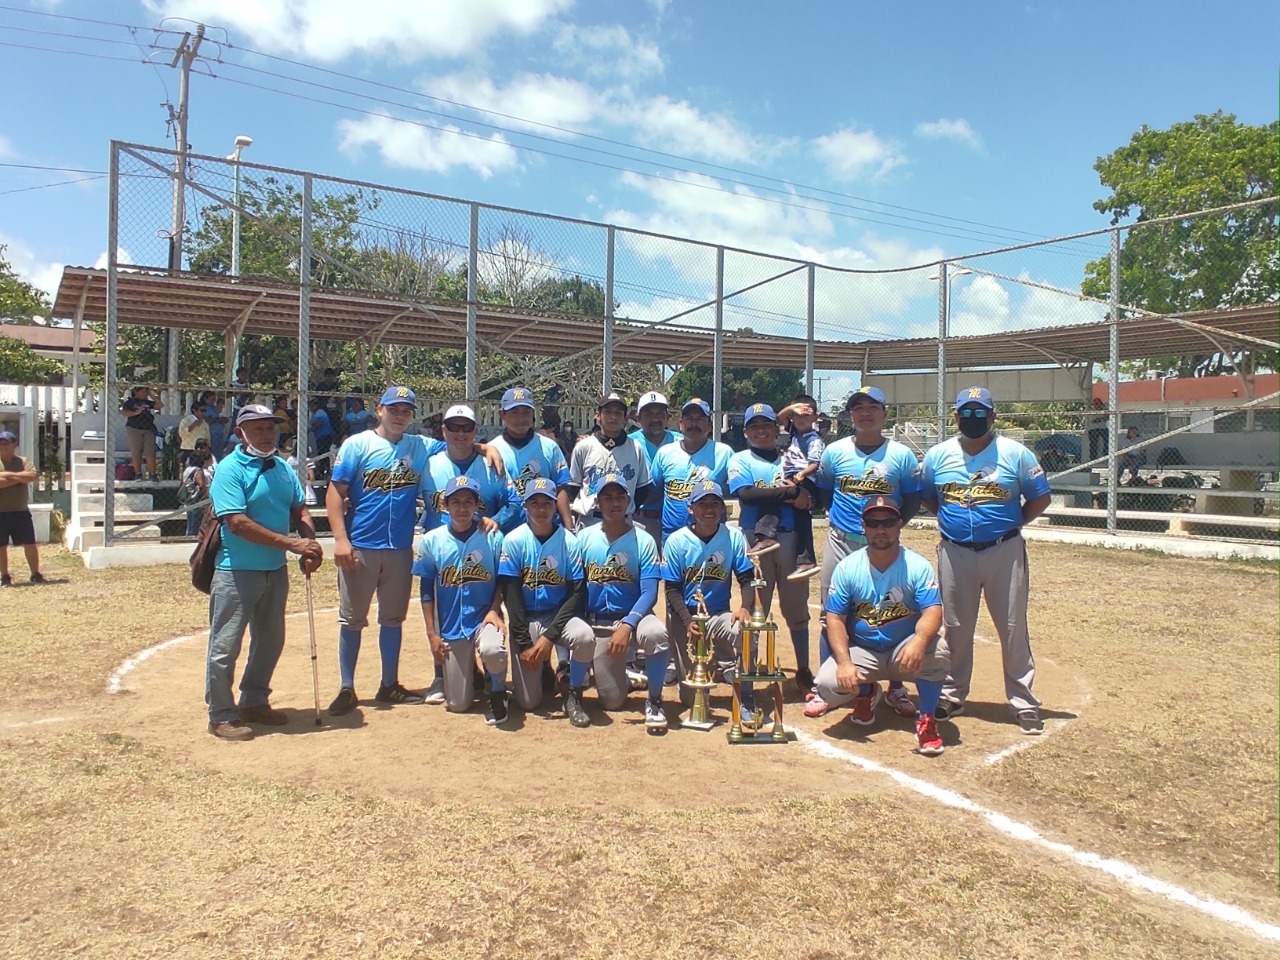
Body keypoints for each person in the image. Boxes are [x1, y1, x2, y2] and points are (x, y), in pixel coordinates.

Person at [921, 386, 1052, 734]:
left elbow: (1039, 498)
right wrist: (953, 523)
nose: (973, 418)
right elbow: (929, 498)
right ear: (956, 416)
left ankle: (1023, 701)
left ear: (993, 416)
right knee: (956, 626)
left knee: (1012, 627)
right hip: (955, 550)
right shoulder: (938, 455)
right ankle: (952, 693)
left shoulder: (1015, 453)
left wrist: (1012, 525)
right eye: (967, 412)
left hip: (1003, 550)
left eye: (981, 413)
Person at [205, 404, 324, 741]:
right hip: (236, 571)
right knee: (225, 646)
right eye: (258, 428)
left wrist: (310, 543)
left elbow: (299, 508)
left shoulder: (283, 467)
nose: (267, 434)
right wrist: (291, 544)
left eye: (270, 427)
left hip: (275, 570)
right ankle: (221, 714)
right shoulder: (230, 469)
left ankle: (254, 701)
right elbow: (237, 522)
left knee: (270, 641)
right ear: (240, 432)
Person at [805, 386, 923, 717]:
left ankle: (896, 686)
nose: (865, 413)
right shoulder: (834, 452)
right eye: (858, 407)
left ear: (884, 414)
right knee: (832, 612)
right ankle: (828, 686)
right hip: (843, 541)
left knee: (894, 608)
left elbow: (912, 498)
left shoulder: (900, 455)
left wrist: (889, 528)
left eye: (873, 407)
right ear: (851, 415)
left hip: (884, 543)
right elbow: (826, 492)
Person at [325, 386, 434, 715]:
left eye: (406, 410)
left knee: (392, 619)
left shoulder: (419, 446)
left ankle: (389, 684)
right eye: (394, 409)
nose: (400, 415)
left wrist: (486, 448)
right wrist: (341, 540)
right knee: (352, 620)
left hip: (399, 547)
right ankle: (347, 687)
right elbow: (335, 492)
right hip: (361, 546)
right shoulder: (357, 444)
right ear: (379, 409)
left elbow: (460, 444)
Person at [813, 496, 950, 756]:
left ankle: (927, 719)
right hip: (864, 650)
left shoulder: (916, 566)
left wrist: (919, 641)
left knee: (938, 652)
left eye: (887, 522)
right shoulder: (848, 568)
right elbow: (835, 618)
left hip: (903, 649)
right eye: (873, 523)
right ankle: (867, 692)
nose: (881, 529)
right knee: (827, 685)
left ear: (900, 525)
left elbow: (933, 610)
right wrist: (844, 662)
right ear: (863, 527)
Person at [725, 403, 813, 691]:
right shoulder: (740, 459)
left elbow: (813, 494)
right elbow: (749, 495)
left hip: (792, 539)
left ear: (777, 429)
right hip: (756, 539)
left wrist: (805, 497)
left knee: (796, 607)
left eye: (767, 425)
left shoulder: (791, 458)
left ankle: (802, 669)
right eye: (755, 426)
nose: (761, 431)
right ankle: (748, 669)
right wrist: (791, 492)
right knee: (754, 607)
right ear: (747, 432)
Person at [498, 478, 596, 726]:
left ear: (555, 507)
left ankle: (573, 693)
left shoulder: (569, 542)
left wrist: (548, 637)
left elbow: (577, 594)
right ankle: (544, 672)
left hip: (558, 616)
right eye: (535, 503)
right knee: (529, 702)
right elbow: (511, 595)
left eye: (547, 504)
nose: (541, 509)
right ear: (525, 507)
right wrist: (524, 643)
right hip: (527, 619)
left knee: (584, 636)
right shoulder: (513, 540)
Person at [414, 475, 511, 723]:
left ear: (477, 505)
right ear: (445, 506)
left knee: (493, 650)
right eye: (455, 502)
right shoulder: (431, 540)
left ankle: (498, 691)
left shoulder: (492, 537)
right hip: (451, 626)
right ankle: (476, 675)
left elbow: (503, 579)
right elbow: (426, 588)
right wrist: (431, 634)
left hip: (483, 618)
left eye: (469, 501)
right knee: (458, 704)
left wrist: (494, 609)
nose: (462, 508)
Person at [578, 473, 671, 729]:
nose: (614, 503)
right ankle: (621, 674)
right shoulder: (584, 538)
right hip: (598, 624)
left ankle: (655, 699)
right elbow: (576, 590)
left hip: (635, 618)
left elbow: (649, 592)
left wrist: (628, 624)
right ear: (597, 502)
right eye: (608, 497)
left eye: (620, 496)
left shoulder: (644, 540)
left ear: (629, 500)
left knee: (656, 633)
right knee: (613, 702)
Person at [660, 481, 754, 708]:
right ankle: (717, 665)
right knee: (692, 699)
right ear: (690, 508)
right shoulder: (676, 541)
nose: (709, 509)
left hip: (719, 614)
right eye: (703, 504)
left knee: (748, 631)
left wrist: (745, 608)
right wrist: (686, 620)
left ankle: (746, 695)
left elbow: (747, 578)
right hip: (685, 619)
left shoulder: (733, 537)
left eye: (715, 503)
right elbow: (672, 589)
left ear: (722, 508)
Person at [648, 398, 733, 544]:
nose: (694, 424)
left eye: (700, 419)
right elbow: (655, 489)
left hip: (713, 537)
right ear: (680, 424)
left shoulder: (724, 453)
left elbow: (731, 491)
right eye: (689, 419)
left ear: (710, 425)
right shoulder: (665, 453)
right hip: (672, 537)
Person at [489, 387, 574, 532]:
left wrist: (570, 528)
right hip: (506, 531)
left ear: (533, 414)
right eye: (514, 412)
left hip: (546, 531)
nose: (521, 419)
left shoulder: (549, 447)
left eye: (526, 412)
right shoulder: (493, 449)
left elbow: (560, 489)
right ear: (502, 414)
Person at [420, 403, 515, 533]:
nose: (460, 433)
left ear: (475, 430)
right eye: (453, 427)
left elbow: (513, 502)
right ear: (443, 430)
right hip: (438, 548)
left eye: (467, 427)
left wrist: (497, 520)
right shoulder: (428, 466)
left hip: (481, 545)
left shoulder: (491, 465)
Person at [567, 392, 653, 529]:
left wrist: (625, 509)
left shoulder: (635, 448)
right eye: (607, 412)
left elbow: (642, 489)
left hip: (623, 521)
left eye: (618, 413)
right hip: (590, 519)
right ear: (597, 415)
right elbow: (573, 487)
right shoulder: (584, 446)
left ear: (626, 418)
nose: (613, 417)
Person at [775, 393, 824, 580]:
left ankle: (806, 560)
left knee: (802, 516)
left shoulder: (814, 439)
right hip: (791, 476)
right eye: (797, 416)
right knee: (777, 502)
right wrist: (793, 409)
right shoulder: (794, 432)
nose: (800, 419)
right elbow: (780, 416)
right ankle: (766, 537)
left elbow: (815, 463)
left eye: (806, 415)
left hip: (806, 479)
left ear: (815, 418)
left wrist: (801, 475)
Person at [627, 390, 682, 543]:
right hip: (641, 519)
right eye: (649, 414)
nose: (655, 419)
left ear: (668, 417)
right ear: (638, 418)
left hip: (677, 522)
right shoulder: (628, 443)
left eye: (660, 414)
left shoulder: (681, 442)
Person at [0, 431, 43, 586]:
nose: (3, 445)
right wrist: (19, 478)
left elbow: (32, 476)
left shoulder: (24, 461)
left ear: (15, 445)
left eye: (7, 442)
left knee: (30, 543)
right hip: (1, 513)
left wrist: (7, 476)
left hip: (21, 511)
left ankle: (35, 573)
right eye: (1, 442)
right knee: (1, 546)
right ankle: (4, 576)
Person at [121, 385, 161, 481]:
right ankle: (138, 474)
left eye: (145, 392)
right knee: (136, 452)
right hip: (134, 429)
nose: (144, 394)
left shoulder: (147, 402)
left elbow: (160, 405)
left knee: (150, 452)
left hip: (148, 429)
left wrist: (151, 394)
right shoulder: (130, 402)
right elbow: (124, 413)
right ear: (136, 391)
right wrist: (136, 412)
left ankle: (153, 474)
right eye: (143, 392)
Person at [180, 448, 215, 536]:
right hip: (198, 501)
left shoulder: (187, 470)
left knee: (190, 523)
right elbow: (201, 485)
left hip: (189, 500)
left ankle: (188, 538)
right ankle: (193, 540)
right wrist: (206, 498)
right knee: (196, 524)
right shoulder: (199, 471)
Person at [1086, 397, 1108, 462]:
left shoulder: (1104, 410)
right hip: (1093, 429)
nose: (1097, 405)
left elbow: (1108, 417)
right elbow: (1094, 420)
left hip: (1102, 428)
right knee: (1093, 443)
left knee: (1107, 440)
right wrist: (1102, 418)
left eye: (1099, 404)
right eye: (1096, 404)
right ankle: (1093, 458)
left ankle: (1106, 454)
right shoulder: (1091, 411)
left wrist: (1101, 418)